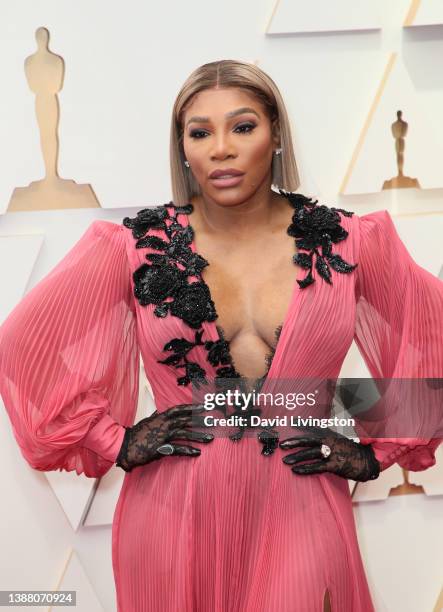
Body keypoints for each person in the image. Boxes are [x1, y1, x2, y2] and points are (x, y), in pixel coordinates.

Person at [0, 59, 442, 612]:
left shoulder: (351, 241)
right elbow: (22, 349)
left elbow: (429, 337)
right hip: (172, 509)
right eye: (200, 132)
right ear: (182, 146)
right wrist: (117, 440)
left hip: (302, 495)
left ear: (275, 134)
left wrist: (369, 451)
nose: (221, 149)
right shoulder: (134, 247)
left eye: (243, 127)